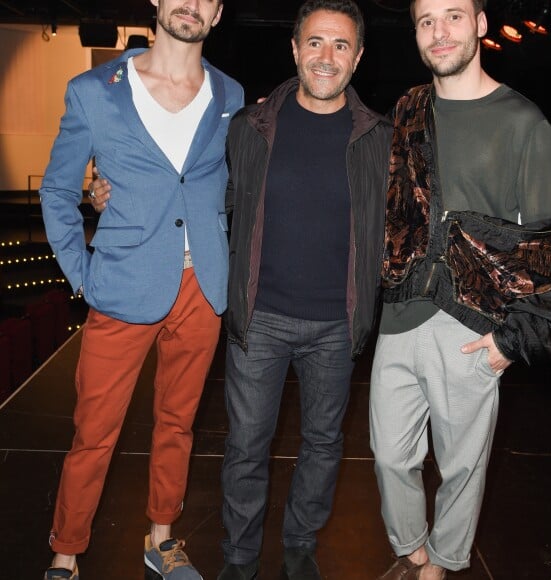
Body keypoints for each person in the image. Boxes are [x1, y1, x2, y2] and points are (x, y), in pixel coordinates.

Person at [89, 1, 390, 578]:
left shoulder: (380, 139)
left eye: (342, 45)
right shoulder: (248, 129)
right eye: (316, 42)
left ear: (357, 58)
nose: (327, 57)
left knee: (324, 446)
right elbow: (190, 190)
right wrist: (110, 189)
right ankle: (239, 557)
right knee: (246, 449)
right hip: (262, 320)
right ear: (295, 49)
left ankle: (300, 543)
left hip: (338, 325)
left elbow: (401, 227)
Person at [39, 0, 244, 578]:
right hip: (122, 287)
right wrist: (83, 274)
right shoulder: (93, 90)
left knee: (178, 425)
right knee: (93, 433)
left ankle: (161, 539)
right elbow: (57, 192)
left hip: (201, 289)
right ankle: (67, 550)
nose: (191, 3)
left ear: (219, 12)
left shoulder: (230, 94)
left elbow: (223, 186)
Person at [369, 1, 551, 579]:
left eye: (454, 16)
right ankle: (410, 549)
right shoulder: (408, 110)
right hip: (400, 311)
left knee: (462, 467)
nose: (440, 32)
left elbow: (547, 246)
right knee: (388, 455)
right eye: (426, 21)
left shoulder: (523, 121)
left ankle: (441, 564)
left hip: (473, 324)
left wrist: (517, 336)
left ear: (480, 25)